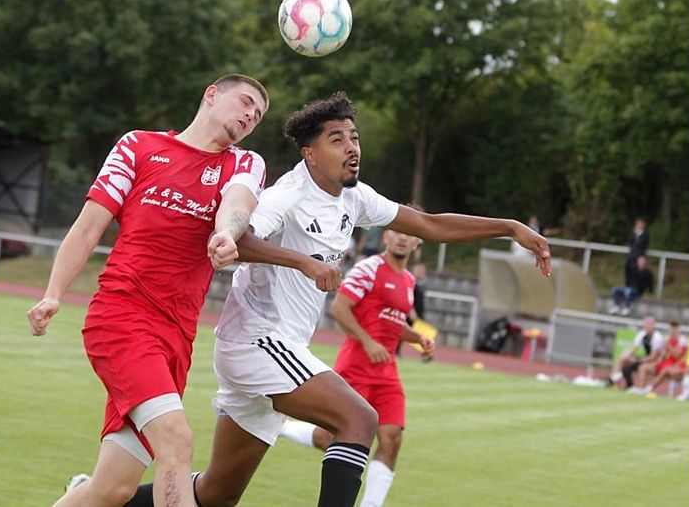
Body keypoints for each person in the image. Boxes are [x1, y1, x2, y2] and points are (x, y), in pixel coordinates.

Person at [120, 91, 551, 507]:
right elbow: (239, 238)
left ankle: (104, 498)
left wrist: (509, 226)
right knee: (359, 420)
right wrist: (304, 262)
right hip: (257, 341)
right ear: (309, 152)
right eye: (337, 139)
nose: (351, 147)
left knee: (217, 493)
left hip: (276, 348)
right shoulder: (286, 195)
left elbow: (428, 224)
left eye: (355, 137)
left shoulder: (355, 197)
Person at [27, 74, 338, 507]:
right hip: (122, 318)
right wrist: (54, 292)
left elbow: (238, 204)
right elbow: (87, 227)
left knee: (111, 489)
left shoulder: (244, 163)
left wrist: (228, 233)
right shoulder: (138, 146)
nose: (250, 115)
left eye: (258, 114)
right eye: (245, 102)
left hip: (176, 336)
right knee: (177, 440)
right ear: (211, 94)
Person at [278, 228, 435, 507]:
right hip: (356, 368)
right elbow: (339, 307)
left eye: (410, 234)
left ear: (417, 242)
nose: (402, 238)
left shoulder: (409, 280)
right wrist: (368, 341)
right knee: (333, 438)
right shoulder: (369, 268)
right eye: (397, 233)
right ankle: (283, 427)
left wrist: (418, 338)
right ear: (386, 237)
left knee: (392, 439)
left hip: (387, 372)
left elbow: (392, 321)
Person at [606, 315, 664, 390]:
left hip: (656, 361)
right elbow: (632, 348)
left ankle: (640, 389)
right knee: (623, 359)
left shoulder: (657, 337)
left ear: (653, 326)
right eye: (646, 324)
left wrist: (638, 360)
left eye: (649, 325)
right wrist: (626, 356)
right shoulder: (642, 334)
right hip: (645, 359)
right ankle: (614, 382)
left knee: (641, 367)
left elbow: (653, 357)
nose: (647, 326)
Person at [632, 321, 688, 395]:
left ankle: (649, 388)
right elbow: (663, 356)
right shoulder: (667, 339)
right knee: (643, 367)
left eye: (674, 328)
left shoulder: (682, 340)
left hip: (677, 365)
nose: (672, 330)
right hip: (666, 363)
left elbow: (678, 355)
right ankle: (640, 389)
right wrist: (656, 363)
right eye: (671, 328)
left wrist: (668, 346)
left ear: (678, 329)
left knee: (665, 370)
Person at [624, 216, 649, 281]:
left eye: (640, 223)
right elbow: (629, 240)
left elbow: (639, 244)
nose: (638, 225)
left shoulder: (645, 234)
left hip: (639, 258)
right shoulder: (634, 233)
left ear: (644, 224)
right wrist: (634, 234)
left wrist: (636, 236)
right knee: (628, 271)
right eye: (637, 223)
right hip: (631, 256)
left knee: (638, 275)